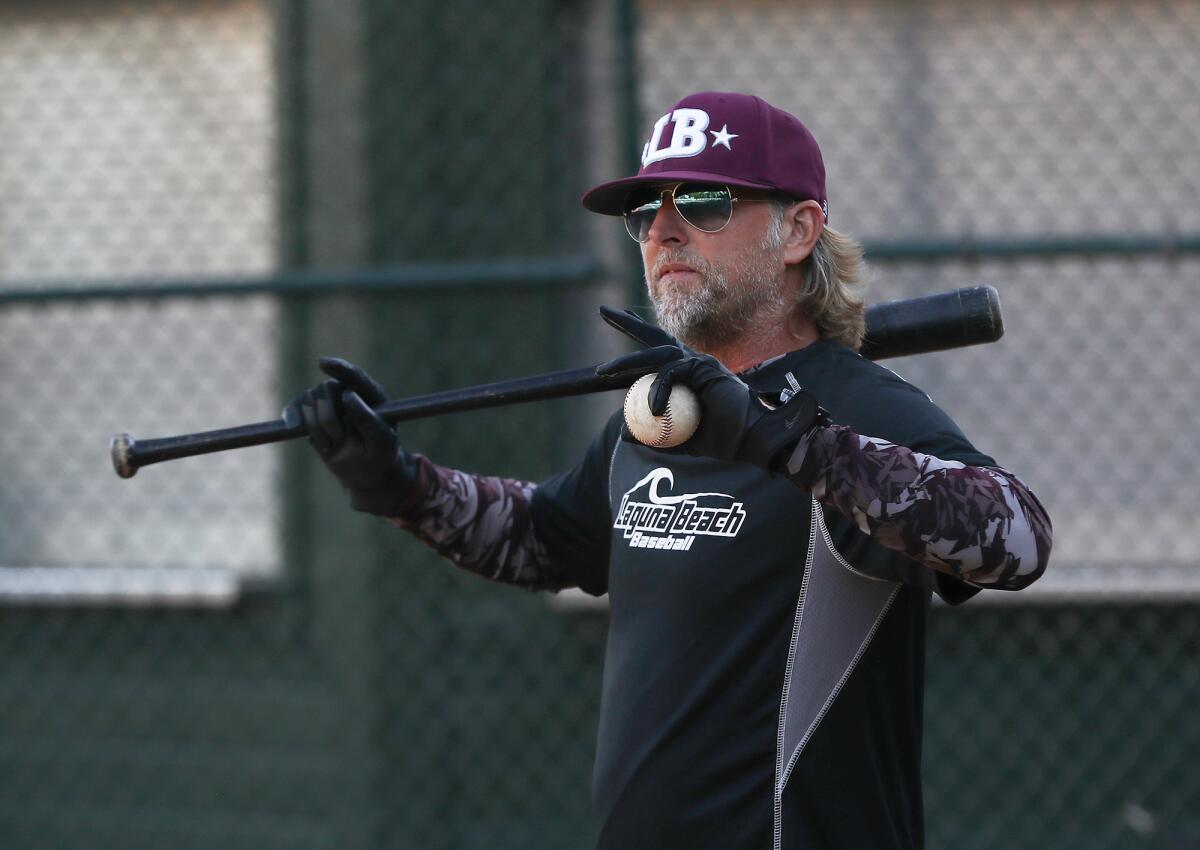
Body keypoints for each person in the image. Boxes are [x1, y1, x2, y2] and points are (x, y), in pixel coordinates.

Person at [284, 91, 1052, 850]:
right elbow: (542, 536)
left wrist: (790, 443)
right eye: (647, 211)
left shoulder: (857, 410)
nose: (664, 231)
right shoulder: (665, 410)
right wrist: (396, 482)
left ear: (798, 231)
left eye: (706, 203)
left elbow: (1018, 537)